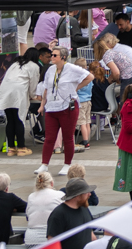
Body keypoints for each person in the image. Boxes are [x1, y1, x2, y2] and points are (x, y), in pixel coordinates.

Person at [35, 46, 91, 176]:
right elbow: (46, 88)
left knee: (68, 137)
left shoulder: (72, 68)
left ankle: (67, 164)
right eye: (51, 55)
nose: (52, 57)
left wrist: (75, 88)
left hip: (67, 107)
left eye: (55, 55)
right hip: (52, 107)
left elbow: (90, 77)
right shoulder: (50, 70)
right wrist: (42, 105)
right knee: (49, 137)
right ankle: (44, 164)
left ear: (63, 57)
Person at [44, 178, 94, 249]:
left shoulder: (84, 209)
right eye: (86, 192)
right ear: (78, 195)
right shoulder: (59, 214)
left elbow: (90, 234)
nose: (89, 194)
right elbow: (52, 243)